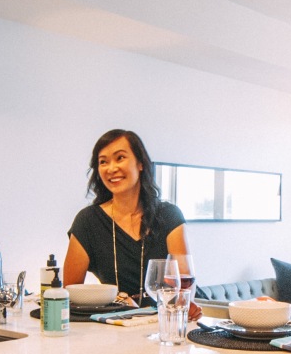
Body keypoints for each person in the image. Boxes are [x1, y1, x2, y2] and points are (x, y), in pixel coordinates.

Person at [63, 129, 197, 316]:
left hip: (166, 321)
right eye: (103, 162)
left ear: (140, 163)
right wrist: (118, 299)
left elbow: (184, 286)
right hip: (116, 325)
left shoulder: (169, 216)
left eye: (120, 158)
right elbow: (69, 292)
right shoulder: (87, 221)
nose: (111, 168)